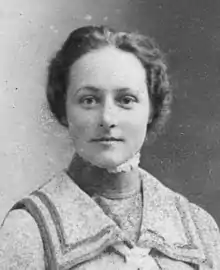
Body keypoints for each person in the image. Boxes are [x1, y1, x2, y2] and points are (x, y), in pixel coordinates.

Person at [0, 25, 219, 270]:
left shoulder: (201, 230)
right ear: (64, 110)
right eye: (89, 100)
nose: (107, 118)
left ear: (151, 109)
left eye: (126, 100)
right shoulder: (29, 231)